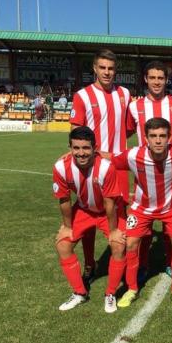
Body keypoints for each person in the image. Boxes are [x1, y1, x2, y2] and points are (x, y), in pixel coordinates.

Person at [110, 118, 172, 310]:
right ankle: (132, 288)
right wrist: (90, 154)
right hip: (141, 209)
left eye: (162, 136)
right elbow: (110, 158)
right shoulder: (133, 155)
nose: (158, 140)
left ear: (170, 137)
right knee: (130, 244)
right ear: (146, 138)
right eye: (153, 136)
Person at [70, 49, 132, 286]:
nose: (107, 72)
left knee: (119, 215)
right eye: (102, 67)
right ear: (94, 68)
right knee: (89, 215)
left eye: (111, 68)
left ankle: (122, 264)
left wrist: (114, 152)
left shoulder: (124, 94)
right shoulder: (82, 96)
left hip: (118, 168)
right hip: (91, 168)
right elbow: (76, 132)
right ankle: (89, 263)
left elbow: (128, 128)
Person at [51, 126, 127, 313]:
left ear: (95, 148)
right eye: (76, 148)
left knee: (118, 245)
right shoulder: (61, 167)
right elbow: (64, 199)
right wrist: (68, 227)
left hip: (108, 211)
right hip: (83, 210)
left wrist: (114, 231)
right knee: (63, 245)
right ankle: (79, 293)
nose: (81, 153)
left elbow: (110, 204)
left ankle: (110, 293)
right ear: (70, 147)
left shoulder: (106, 167)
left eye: (86, 148)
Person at [127, 60, 172, 278]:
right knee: (144, 225)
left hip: (170, 172)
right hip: (145, 170)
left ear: (166, 80)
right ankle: (143, 264)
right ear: (145, 79)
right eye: (152, 77)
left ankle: (171, 262)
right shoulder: (135, 107)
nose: (156, 82)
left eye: (160, 78)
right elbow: (127, 133)